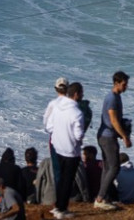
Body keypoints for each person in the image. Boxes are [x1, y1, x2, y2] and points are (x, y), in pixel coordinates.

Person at [44, 78, 84, 218]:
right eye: (82, 93)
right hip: (70, 151)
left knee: (60, 178)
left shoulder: (56, 106)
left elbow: (48, 125)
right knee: (67, 181)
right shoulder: (77, 112)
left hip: (57, 145)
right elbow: (78, 135)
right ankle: (61, 209)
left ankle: (57, 206)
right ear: (76, 94)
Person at [96, 72, 131, 210]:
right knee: (114, 167)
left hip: (106, 135)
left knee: (107, 168)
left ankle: (104, 197)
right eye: (124, 84)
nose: (126, 86)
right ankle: (100, 198)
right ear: (116, 83)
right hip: (107, 136)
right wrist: (124, 136)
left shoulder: (116, 97)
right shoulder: (112, 98)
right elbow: (113, 119)